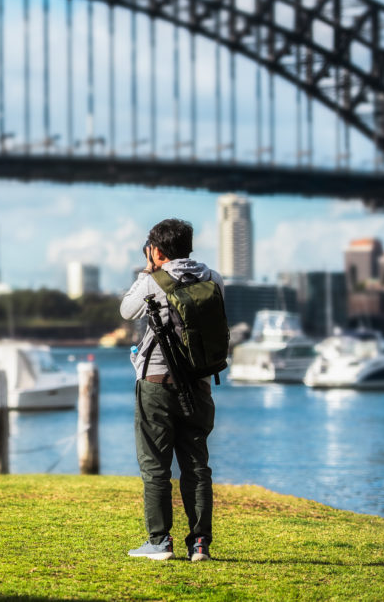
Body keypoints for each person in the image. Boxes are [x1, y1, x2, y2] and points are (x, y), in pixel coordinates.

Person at [119, 218, 223, 562]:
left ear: (157, 251)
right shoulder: (213, 278)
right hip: (199, 383)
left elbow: (126, 310)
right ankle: (200, 545)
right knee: (196, 465)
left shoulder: (153, 281)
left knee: (155, 466)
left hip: (157, 385)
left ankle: (160, 542)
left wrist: (146, 270)